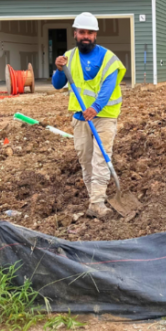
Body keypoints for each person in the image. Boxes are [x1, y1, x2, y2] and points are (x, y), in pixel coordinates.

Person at [52, 12, 126, 219]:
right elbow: (58, 84)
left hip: (104, 116)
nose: (86, 36)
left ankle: (97, 203)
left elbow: (109, 87)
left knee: (101, 159)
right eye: (82, 32)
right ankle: (94, 199)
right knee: (86, 161)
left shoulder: (109, 58)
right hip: (80, 118)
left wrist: (96, 107)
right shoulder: (68, 57)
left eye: (90, 33)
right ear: (75, 33)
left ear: (95, 35)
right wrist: (59, 70)